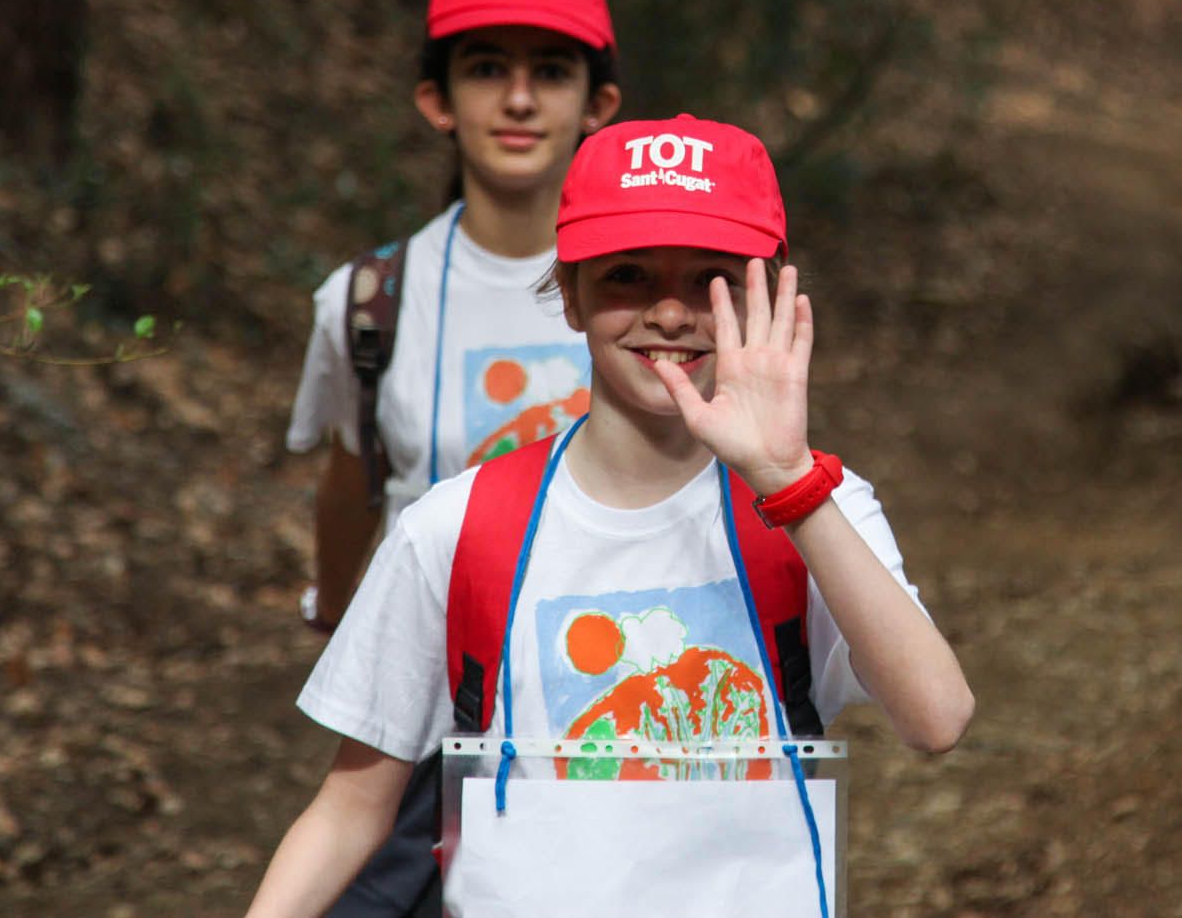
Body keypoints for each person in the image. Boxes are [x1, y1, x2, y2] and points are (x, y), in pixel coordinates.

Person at [246, 114, 975, 918]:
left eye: (711, 279)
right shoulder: (456, 527)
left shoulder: (813, 508)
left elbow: (937, 718)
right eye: (627, 275)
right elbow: (353, 806)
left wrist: (786, 478)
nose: (669, 313)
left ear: (763, 291)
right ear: (568, 293)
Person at [280, 0, 623, 916]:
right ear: (437, 100)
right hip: (429, 730)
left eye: (550, 71)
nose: (519, 100)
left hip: (602, 714)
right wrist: (340, 613)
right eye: (487, 69)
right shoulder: (367, 302)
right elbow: (353, 479)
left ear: (598, 103)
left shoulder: (654, 299)